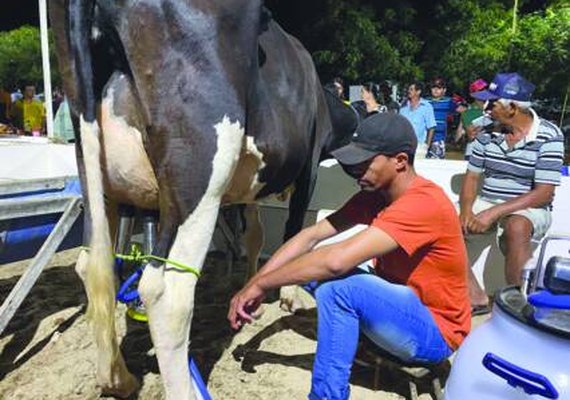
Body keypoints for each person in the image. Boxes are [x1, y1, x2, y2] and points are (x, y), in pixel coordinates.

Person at [229, 113, 471, 400]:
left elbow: (336, 261)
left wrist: (262, 285)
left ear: (400, 161)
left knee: (338, 288)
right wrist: (253, 283)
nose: (356, 170)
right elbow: (311, 237)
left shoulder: (423, 203)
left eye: (365, 162)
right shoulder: (375, 195)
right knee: (314, 269)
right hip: (401, 307)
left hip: (435, 333)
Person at [459, 72, 565, 312]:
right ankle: (475, 295)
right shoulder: (484, 132)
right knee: (443, 222)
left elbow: (544, 194)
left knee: (516, 226)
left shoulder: (549, 135)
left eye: (492, 103)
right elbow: (472, 177)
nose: (486, 107)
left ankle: (518, 304)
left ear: (512, 108)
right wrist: (466, 211)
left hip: (530, 207)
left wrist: (493, 213)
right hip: (488, 200)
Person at [399, 81, 436, 159]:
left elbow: (431, 127)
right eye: (408, 89)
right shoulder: (403, 106)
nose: (409, 91)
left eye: (411, 89)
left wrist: (427, 146)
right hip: (403, 146)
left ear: (418, 91)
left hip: (419, 146)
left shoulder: (426, 106)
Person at [455, 79, 488, 160]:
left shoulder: (495, 108)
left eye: (486, 89)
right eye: (481, 90)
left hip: (491, 152)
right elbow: (471, 135)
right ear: (473, 94)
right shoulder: (468, 112)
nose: (484, 92)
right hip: (473, 152)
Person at [427, 77, 456, 159]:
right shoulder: (425, 102)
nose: (436, 90)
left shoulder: (449, 102)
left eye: (439, 88)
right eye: (433, 87)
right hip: (424, 138)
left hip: (439, 139)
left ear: (444, 90)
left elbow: (462, 110)